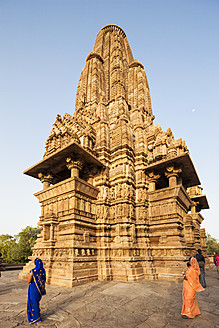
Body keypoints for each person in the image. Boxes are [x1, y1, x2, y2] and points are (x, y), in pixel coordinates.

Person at [27, 258, 46, 324]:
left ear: (35, 263)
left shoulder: (33, 271)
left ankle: (36, 318)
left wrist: (31, 275)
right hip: (40, 289)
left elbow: (29, 281)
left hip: (33, 288)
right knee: (36, 301)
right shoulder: (43, 271)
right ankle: (37, 314)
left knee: (33, 302)